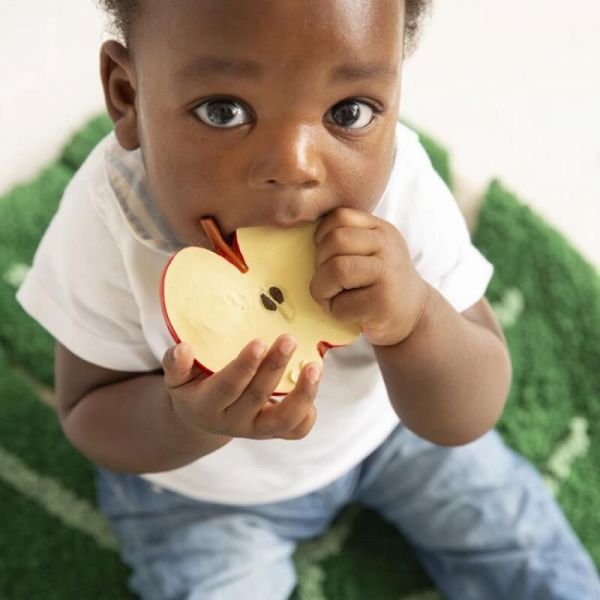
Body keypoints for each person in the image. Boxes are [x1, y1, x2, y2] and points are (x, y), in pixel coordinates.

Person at [16, 1, 600, 598]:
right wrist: (184, 421)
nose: (294, 168)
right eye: (225, 111)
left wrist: (416, 320)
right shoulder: (112, 218)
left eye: (349, 112)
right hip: (202, 497)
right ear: (128, 94)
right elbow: (87, 411)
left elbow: (471, 411)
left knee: (523, 543)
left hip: (389, 434)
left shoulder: (400, 193)